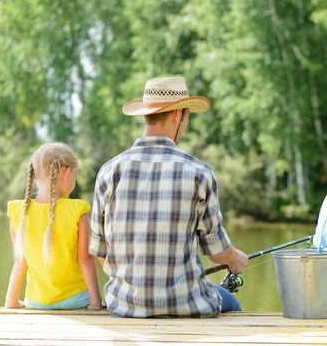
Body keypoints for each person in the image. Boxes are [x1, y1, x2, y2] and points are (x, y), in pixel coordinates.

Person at [89, 76, 248, 318]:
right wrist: (234, 258)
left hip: (125, 306)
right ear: (178, 115)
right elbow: (217, 252)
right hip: (186, 304)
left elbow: (100, 251)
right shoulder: (199, 173)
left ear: (147, 115)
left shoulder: (109, 172)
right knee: (233, 306)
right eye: (187, 117)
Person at [5, 142, 103, 310]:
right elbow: (86, 259)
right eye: (75, 174)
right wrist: (95, 303)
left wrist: (11, 302)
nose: (74, 180)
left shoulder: (19, 212)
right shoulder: (77, 210)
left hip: (36, 302)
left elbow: (21, 260)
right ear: (65, 173)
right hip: (76, 300)